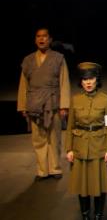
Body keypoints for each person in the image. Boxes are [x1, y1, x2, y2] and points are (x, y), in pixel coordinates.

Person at [17, 27, 71, 181]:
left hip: (52, 102)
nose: (41, 39)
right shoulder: (28, 60)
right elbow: (23, 85)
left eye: (44, 36)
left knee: (54, 137)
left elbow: (64, 82)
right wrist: (23, 106)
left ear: (50, 39)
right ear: (35, 40)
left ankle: (55, 168)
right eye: (38, 36)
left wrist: (64, 105)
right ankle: (42, 170)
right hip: (34, 104)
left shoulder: (58, 58)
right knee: (38, 139)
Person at [66, 62, 107, 220]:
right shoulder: (75, 100)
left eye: (91, 78)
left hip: (98, 147)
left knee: (99, 183)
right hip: (79, 147)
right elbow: (70, 126)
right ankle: (85, 215)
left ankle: (98, 214)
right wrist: (69, 149)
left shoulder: (106, 100)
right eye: (84, 79)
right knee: (82, 184)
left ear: (97, 80)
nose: (88, 82)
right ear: (80, 81)